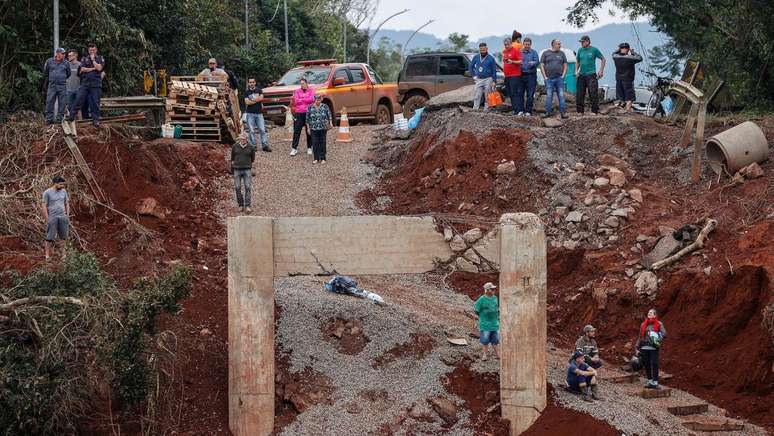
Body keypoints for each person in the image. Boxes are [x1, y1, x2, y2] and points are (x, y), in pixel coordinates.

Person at [67, 43, 104, 127]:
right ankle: (71, 117)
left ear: (96, 50)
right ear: (88, 50)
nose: (91, 51)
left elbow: (99, 68)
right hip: (85, 84)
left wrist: (93, 60)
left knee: (95, 102)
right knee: (78, 100)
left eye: (93, 50)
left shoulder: (100, 58)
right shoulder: (84, 59)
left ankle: (95, 120)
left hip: (96, 84)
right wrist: (94, 68)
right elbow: (82, 69)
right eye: (90, 50)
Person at [575, 35, 605, 115]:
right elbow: (578, 61)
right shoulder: (580, 50)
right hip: (581, 74)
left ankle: (594, 111)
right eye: (581, 42)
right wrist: (576, 71)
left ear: (588, 41)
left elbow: (603, 59)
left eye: (583, 42)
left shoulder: (594, 50)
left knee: (593, 93)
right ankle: (580, 111)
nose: (581, 43)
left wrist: (601, 71)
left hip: (591, 74)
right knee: (579, 93)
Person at [42, 175, 70, 261]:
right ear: (55, 183)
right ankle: (47, 256)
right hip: (53, 217)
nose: (62, 186)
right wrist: (47, 218)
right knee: (49, 237)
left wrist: (67, 216)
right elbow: (44, 206)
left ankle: (63, 255)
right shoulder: (47, 193)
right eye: (61, 184)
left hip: (62, 217)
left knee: (63, 237)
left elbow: (67, 203)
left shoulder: (64, 191)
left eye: (63, 184)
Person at [637, 308, 666, 389]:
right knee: (647, 364)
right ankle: (650, 381)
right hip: (644, 347)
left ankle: (655, 382)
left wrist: (656, 336)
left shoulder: (659, 323)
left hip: (654, 347)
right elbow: (640, 336)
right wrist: (637, 346)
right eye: (648, 312)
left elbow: (664, 333)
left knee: (655, 364)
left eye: (651, 312)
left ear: (655, 315)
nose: (649, 313)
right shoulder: (643, 324)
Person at [540, 39, 568, 119]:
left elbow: (565, 65)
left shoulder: (562, 53)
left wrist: (563, 76)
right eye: (558, 44)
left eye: (560, 44)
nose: (560, 45)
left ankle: (563, 113)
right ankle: (548, 112)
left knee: (561, 95)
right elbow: (541, 65)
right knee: (549, 95)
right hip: (549, 79)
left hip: (559, 78)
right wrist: (545, 77)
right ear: (553, 45)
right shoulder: (545, 53)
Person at [612, 42, 643, 112]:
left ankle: (621, 109)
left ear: (620, 49)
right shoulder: (630, 58)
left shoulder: (616, 57)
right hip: (628, 79)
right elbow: (640, 58)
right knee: (629, 96)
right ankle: (628, 110)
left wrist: (618, 50)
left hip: (618, 78)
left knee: (620, 95)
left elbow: (613, 53)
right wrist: (633, 52)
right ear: (628, 49)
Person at [43, 48, 70, 124]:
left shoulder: (66, 63)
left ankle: (59, 119)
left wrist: (61, 78)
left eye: (64, 54)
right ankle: (49, 119)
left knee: (62, 103)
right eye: (63, 53)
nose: (64, 55)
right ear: (57, 53)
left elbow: (68, 73)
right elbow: (46, 72)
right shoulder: (49, 61)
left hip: (62, 85)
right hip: (52, 85)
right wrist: (52, 78)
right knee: (49, 101)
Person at [230, 133, 255, 213]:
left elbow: (252, 158)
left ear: (247, 139)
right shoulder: (235, 146)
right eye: (242, 139)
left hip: (247, 169)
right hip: (237, 169)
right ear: (239, 139)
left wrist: (248, 164)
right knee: (237, 187)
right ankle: (240, 205)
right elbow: (232, 158)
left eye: (244, 139)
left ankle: (247, 205)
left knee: (248, 187)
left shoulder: (251, 147)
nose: (243, 140)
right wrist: (232, 168)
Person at [474, 282, 500, 361]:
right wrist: (482, 317)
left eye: (494, 289)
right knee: (485, 340)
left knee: (495, 340)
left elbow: (497, 308)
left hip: (495, 324)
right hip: (485, 324)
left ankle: (498, 355)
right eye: (492, 289)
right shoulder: (482, 299)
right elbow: (476, 310)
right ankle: (485, 355)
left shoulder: (495, 298)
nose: (494, 290)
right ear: (487, 290)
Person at [244, 78, 271, 152]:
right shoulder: (247, 92)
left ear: (255, 83)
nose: (251, 83)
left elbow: (261, 98)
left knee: (262, 130)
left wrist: (252, 100)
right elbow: (247, 102)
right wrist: (257, 99)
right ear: (248, 83)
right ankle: (253, 146)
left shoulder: (259, 90)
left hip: (259, 114)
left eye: (253, 82)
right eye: (250, 82)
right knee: (251, 131)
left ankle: (265, 146)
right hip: (250, 114)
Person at [468, 43, 498, 111]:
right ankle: (475, 109)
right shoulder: (476, 57)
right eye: (481, 50)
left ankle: (486, 109)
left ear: (487, 49)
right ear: (479, 50)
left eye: (484, 50)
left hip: (488, 79)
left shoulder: (491, 58)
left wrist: (494, 81)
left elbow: (494, 70)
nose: (483, 51)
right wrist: (474, 75)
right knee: (477, 95)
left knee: (487, 95)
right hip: (479, 79)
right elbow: (471, 66)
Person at [290, 78, 315, 156]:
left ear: (306, 83)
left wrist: (302, 99)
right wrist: (306, 100)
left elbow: (312, 99)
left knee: (309, 130)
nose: (302, 85)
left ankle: (309, 147)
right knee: (297, 131)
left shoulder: (311, 90)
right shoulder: (297, 91)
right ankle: (294, 148)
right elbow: (296, 101)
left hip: (308, 112)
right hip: (299, 113)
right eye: (301, 84)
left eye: (303, 83)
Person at [306, 95, 333, 164]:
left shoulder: (325, 106)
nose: (317, 101)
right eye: (316, 100)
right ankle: (316, 158)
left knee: (323, 143)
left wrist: (331, 123)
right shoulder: (310, 107)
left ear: (321, 100)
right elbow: (307, 119)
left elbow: (329, 115)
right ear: (314, 100)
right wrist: (308, 128)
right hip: (313, 128)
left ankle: (323, 158)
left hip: (323, 127)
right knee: (315, 143)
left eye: (319, 100)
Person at [502, 38, 524, 115]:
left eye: (508, 44)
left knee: (515, 93)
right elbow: (505, 62)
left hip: (515, 75)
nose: (506, 46)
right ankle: (515, 110)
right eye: (505, 45)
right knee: (510, 93)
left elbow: (521, 62)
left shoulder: (516, 51)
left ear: (511, 44)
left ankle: (519, 110)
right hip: (507, 75)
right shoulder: (504, 51)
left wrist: (512, 61)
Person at [65, 50, 81, 119]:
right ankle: (72, 121)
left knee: (78, 107)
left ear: (75, 56)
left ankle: (80, 122)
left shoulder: (80, 65)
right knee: (69, 107)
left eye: (70, 55)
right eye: (68, 56)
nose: (68, 57)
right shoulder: (67, 65)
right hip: (69, 89)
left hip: (78, 89)